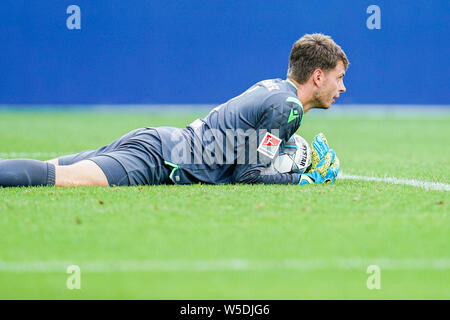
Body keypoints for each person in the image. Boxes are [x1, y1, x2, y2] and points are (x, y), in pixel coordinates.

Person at [0, 33, 348, 188]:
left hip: (160, 144)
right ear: (318, 76)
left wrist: (289, 159)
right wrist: (302, 179)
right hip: (159, 158)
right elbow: (248, 176)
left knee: (51, 168)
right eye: (339, 77)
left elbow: (247, 157)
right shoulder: (288, 108)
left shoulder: (276, 90)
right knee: (62, 179)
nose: (342, 87)